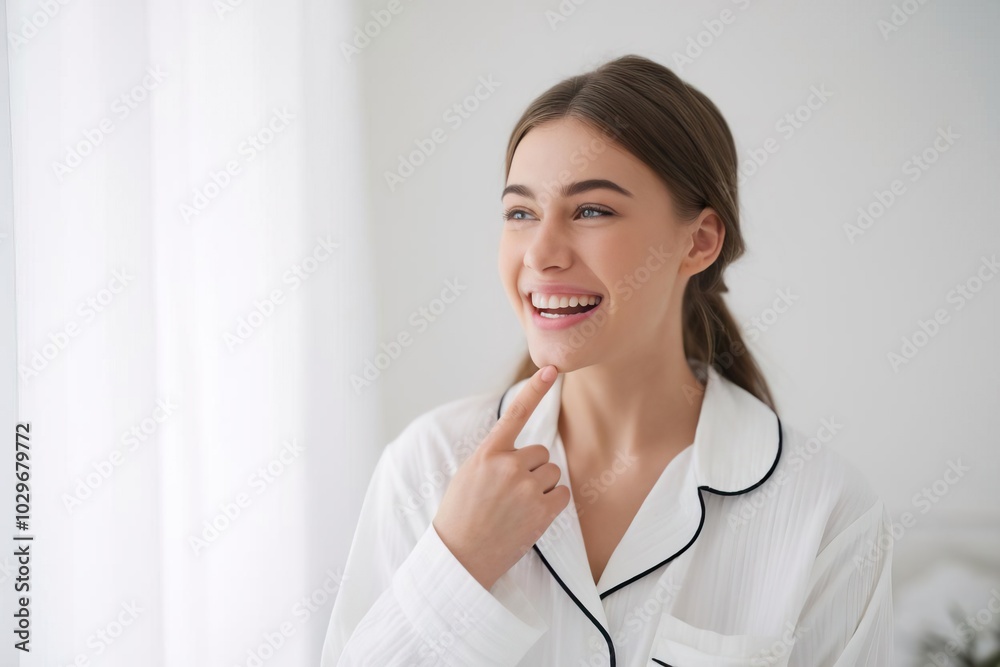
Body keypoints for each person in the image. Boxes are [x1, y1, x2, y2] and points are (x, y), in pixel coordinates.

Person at [321, 54, 893, 666]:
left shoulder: (822, 509)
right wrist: (457, 563)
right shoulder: (428, 467)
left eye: (591, 210)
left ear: (699, 241)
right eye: (521, 213)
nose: (540, 253)